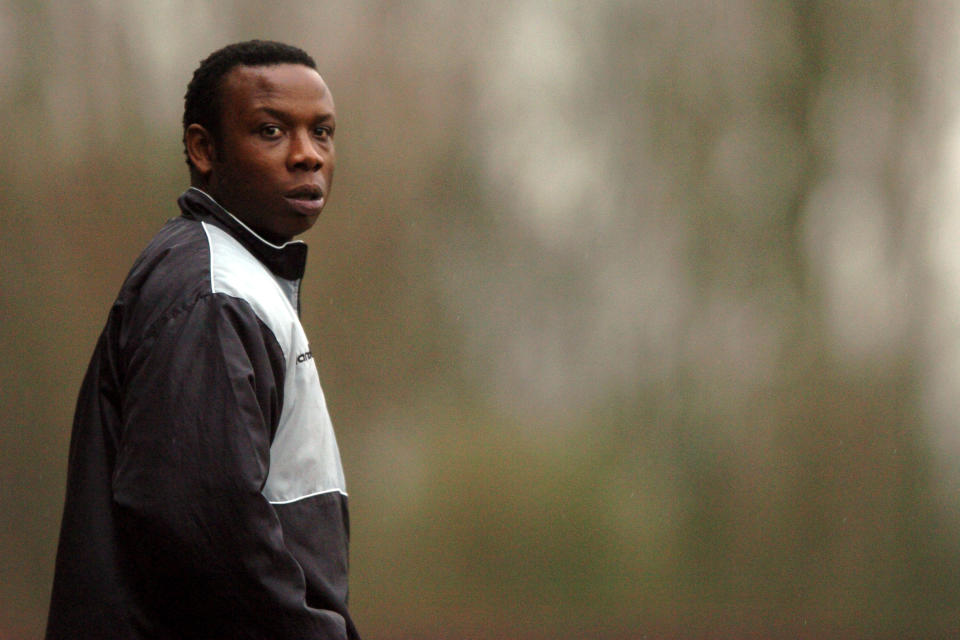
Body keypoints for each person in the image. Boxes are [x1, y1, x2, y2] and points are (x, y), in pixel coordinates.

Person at [45, 40, 360, 639]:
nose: (307, 156)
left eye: (322, 132)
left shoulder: (236, 276)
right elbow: (206, 527)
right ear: (203, 149)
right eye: (271, 131)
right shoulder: (213, 293)